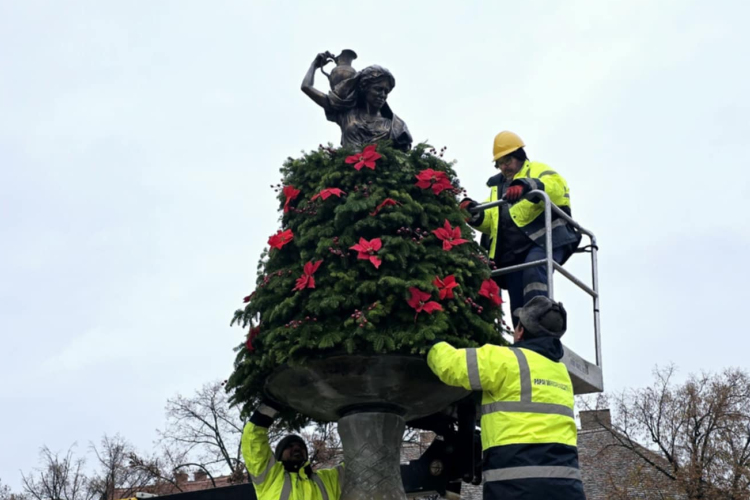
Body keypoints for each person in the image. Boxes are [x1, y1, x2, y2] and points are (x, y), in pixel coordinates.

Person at [426, 296, 586, 499]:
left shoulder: (507, 360)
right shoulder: (561, 373)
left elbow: (451, 366)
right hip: (567, 488)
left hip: (515, 487)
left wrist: (431, 342)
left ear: (520, 331)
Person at [462, 131, 580, 324]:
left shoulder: (536, 169)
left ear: (519, 156)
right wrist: (474, 213)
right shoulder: (496, 188)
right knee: (516, 288)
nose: (503, 167)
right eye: (499, 163)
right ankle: (522, 332)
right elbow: (492, 220)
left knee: (534, 269)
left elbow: (556, 187)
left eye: (507, 160)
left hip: (546, 239)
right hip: (513, 252)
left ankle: (542, 324)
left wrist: (527, 186)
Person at [301, 51, 412, 150]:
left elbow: (402, 160)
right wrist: (314, 65)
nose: (382, 95)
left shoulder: (395, 126)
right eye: (378, 89)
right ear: (365, 88)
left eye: (386, 91)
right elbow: (306, 87)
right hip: (346, 172)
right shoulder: (346, 113)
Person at [242, 399, 343, 500]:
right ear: (280, 454)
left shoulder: (328, 479)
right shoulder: (270, 477)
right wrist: (272, 402)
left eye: (301, 446)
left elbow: (355, 465)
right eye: (289, 446)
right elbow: (253, 441)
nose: (297, 448)